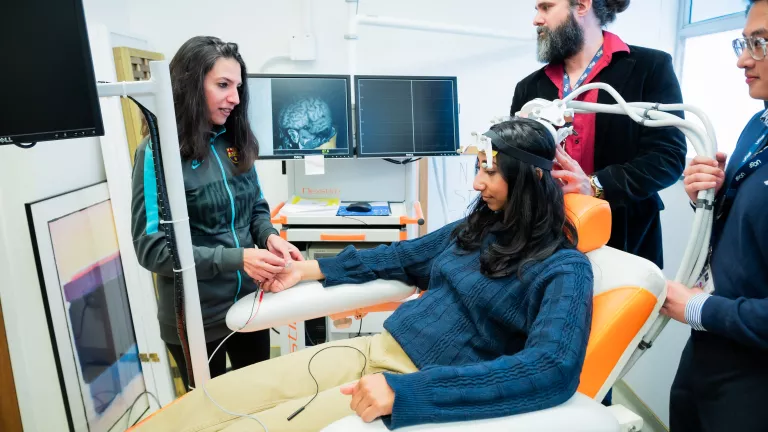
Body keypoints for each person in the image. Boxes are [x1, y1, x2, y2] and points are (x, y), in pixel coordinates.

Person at [130, 118, 594, 431]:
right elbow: (399, 257)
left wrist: (407, 392)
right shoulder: (480, 227)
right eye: (478, 168)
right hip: (371, 349)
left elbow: (551, 369)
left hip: (408, 381)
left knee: (254, 425)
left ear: (532, 180)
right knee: (221, 397)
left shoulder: (564, 269)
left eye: (490, 172)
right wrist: (304, 270)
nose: (477, 183)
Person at [511, 0, 687, 405]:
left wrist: (596, 186)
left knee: (596, 365)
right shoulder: (531, 88)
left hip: (620, 239)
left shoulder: (648, 68)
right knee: (542, 352)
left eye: (545, 6)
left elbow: (668, 158)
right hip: (548, 244)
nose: (535, 18)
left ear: (582, 5)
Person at [130, 36, 304, 390]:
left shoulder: (234, 141)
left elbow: (255, 207)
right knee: (211, 415)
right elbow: (152, 248)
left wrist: (269, 237)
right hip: (196, 317)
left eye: (238, 87)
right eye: (223, 85)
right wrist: (236, 258)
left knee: (256, 399)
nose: (235, 98)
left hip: (249, 306)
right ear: (191, 85)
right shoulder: (156, 153)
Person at [661, 2, 768, 430]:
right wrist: (712, 199)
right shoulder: (757, 126)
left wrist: (699, 309)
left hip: (754, 372)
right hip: (710, 347)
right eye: (744, 42)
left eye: (759, 43)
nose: (743, 58)